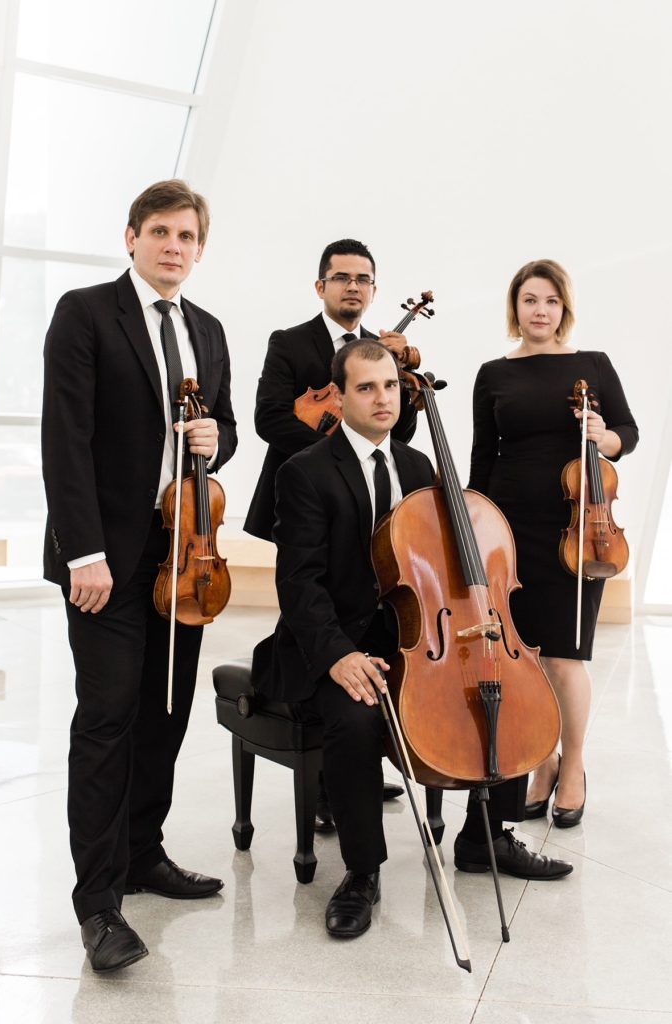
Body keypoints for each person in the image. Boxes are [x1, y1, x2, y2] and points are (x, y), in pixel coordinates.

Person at [253, 339, 573, 940]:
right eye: (366, 387)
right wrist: (339, 656)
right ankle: (362, 872)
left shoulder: (420, 467)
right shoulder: (304, 473)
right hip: (339, 641)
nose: (383, 398)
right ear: (339, 396)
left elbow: (441, 566)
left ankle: (485, 838)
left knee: (496, 686)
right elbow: (299, 584)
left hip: (422, 635)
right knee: (355, 718)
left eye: (391, 387)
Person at [41, 180, 237, 972]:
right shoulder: (86, 312)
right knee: (108, 716)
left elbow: (223, 432)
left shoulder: (208, 330)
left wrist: (216, 440)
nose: (173, 246)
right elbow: (64, 438)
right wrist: (82, 552)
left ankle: (143, 851)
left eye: (186, 236)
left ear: (199, 248)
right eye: (160, 231)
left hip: (182, 556)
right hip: (105, 559)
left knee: (165, 712)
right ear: (131, 238)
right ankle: (98, 904)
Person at [245, 237, 416, 823]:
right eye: (341, 277)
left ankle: (354, 766)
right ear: (321, 286)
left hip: (371, 493)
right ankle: (330, 780)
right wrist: (335, 454)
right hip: (306, 492)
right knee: (314, 596)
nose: (352, 287)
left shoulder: (381, 354)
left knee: (365, 595)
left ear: (374, 289)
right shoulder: (290, 342)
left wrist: (399, 383)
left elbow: (399, 431)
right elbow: (270, 417)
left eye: (363, 279)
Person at [469, 259, 638, 829]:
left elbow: (629, 433)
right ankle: (542, 764)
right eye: (529, 300)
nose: (540, 311)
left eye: (550, 301)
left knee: (565, 658)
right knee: (523, 657)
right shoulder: (493, 373)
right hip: (509, 529)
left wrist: (605, 437)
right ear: (515, 308)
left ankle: (574, 765)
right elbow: (482, 455)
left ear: (564, 308)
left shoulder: (593, 365)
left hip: (578, 529)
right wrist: (474, 522)